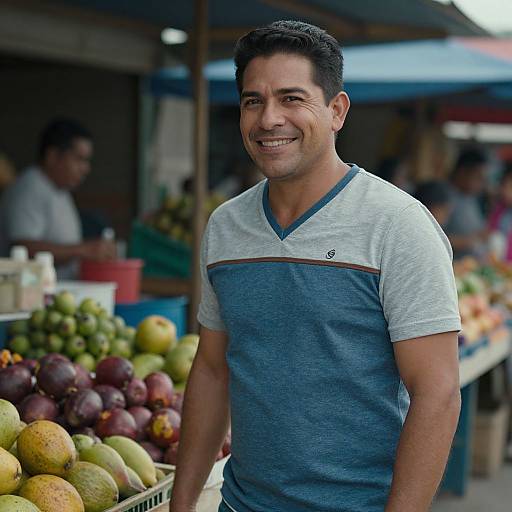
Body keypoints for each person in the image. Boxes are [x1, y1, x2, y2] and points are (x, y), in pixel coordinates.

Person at [170, 21, 461, 512]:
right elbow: (213, 370)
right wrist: (182, 503)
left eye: (291, 99)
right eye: (252, 101)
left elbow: (437, 392)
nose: (268, 119)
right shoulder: (225, 226)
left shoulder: (398, 225)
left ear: (336, 111)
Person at [0, 118, 116, 278]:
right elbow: (23, 249)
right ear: (52, 156)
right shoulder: (29, 188)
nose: (86, 168)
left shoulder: (59, 188)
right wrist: (83, 250)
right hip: (34, 295)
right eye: (79, 159)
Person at [444, 147, 490, 261]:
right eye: (478, 177)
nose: (482, 183)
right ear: (462, 172)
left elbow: (477, 230)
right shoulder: (443, 197)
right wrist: (465, 241)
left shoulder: (471, 198)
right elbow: (432, 238)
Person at [488, 163, 512, 261]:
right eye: (503, 186)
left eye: (510, 187)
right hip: (500, 265)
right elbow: (491, 232)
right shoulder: (498, 209)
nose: (505, 191)